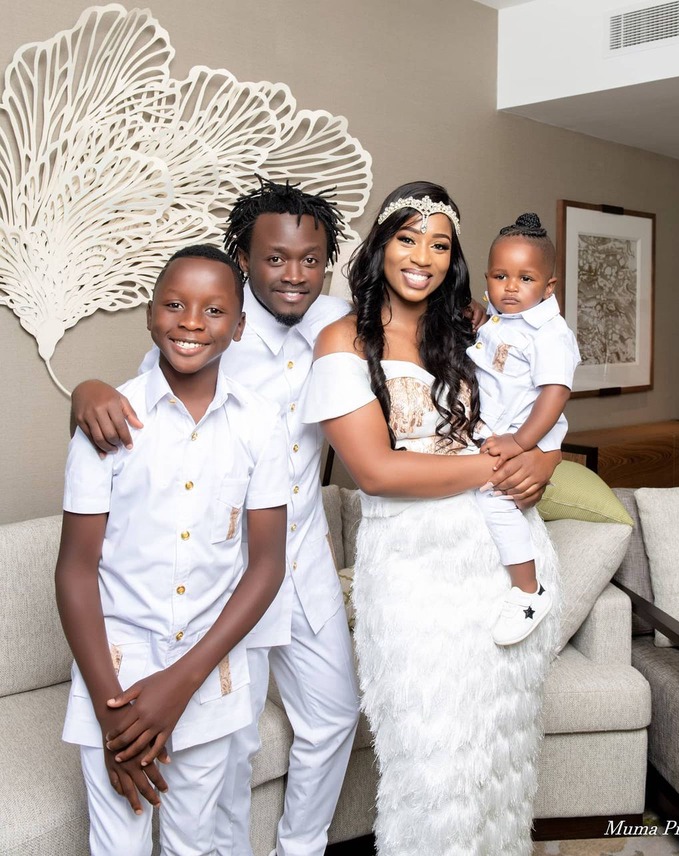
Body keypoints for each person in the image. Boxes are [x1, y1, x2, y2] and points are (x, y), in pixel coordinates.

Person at [71, 180, 555, 856]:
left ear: (329, 262)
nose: (293, 275)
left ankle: (299, 848)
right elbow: (139, 404)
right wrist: (84, 390)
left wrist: (478, 315)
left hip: (303, 556)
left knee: (334, 716)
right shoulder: (215, 323)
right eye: (274, 259)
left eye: (310, 260)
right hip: (228, 572)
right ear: (244, 258)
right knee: (232, 740)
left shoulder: (343, 319)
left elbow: (438, 319)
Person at [301, 181, 561, 856]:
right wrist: (498, 467)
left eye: (440, 244)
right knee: (432, 761)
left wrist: (544, 459)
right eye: (408, 238)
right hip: (413, 570)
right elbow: (376, 471)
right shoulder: (343, 340)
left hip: (502, 564)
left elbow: (545, 396)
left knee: (498, 753)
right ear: (380, 245)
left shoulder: (472, 327)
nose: (423, 257)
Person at [56, 245, 288, 856]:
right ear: (149, 314)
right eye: (175, 305)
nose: (191, 322)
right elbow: (76, 571)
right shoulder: (108, 419)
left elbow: (266, 566)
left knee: (194, 843)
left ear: (240, 325)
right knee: (120, 845)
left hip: (206, 674)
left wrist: (182, 683)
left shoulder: (261, 423)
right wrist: (112, 717)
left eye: (214, 310)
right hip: (114, 676)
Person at [469, 212, 580, 646]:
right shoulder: (501, 318)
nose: (511, 287)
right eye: (501, 276)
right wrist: (480, 317)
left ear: (549, 287)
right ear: (488, 278)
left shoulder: (549, 334)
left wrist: (521, 441)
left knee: (496, 501)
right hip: (498, 428)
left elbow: (555, 393)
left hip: (524, 432)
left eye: (525, 278)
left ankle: (528, 591)